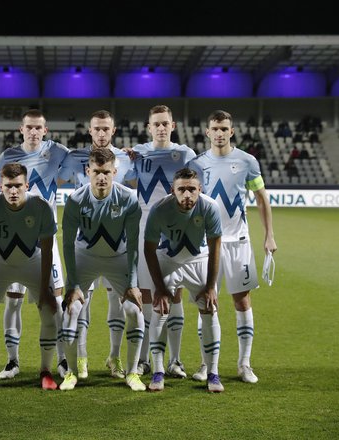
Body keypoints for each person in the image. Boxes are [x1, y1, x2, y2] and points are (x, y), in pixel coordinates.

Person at [188, 110, 277, 384]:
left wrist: (269, 235)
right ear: (207, 131)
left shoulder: (247, 161)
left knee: (242, 301)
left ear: (232, 131)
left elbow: (262, 198)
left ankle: (244, 363)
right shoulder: (197, 163)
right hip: (206, 244)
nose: (219, 133)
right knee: (207, 303)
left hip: (238, 243)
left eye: (224, 129)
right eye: (214, 128)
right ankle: (205, 364)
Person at [0, 109, 70, 380]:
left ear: (45, 130)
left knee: (55, 301)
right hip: (14, 236)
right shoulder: (8, 157)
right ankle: (12, 361)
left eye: (38, 128)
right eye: (29, 127)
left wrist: (126, 154)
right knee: (14, 301)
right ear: (22, 129)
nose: (33, 131)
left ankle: (62, 360)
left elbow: (86, 159)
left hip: (44, 234)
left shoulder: (59, 152)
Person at [58, 110, 136, 380]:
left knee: (117, 302)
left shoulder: (126, 158)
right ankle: (81, 360)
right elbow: (50, 180)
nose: (101, 133)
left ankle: (114, 358)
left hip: (117, 241)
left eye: (106, 129)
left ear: (113, 131)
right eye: (96, 129)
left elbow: (136, 189)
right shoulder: (73, 157)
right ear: (89, 130)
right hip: (85, 241)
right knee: (82, 302)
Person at [0, 163, 59, 390]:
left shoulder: (41, 207)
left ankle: (46, 370)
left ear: (27, 185)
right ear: (0, 186)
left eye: (18, 186)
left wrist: (44, 288)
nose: (13, 191)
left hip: (32, 261)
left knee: (51, 312)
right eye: (8, 186)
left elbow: (48, 249)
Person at [130, 105, 197, 378]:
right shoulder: (138, 153)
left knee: (175, 293)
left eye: (164, 123)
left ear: (173, 125)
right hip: (144, 230)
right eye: (155, 124)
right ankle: (145, 359)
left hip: (175, 232)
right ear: (148, 127)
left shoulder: (185, 155)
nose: (160, 128)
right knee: (147, 294)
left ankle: (175, 360)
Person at [144, 167, 223, 393]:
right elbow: (149, 249)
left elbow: (216, 246)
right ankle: (158, 371)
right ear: (172, 190)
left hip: (198, 260)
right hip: (168, 260)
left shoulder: (209, 207)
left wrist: (210, 287)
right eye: (181, 190)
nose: (187, 194)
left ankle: (213, 373)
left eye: (191, 189)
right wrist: (159, 287)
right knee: (159, 311)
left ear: (200, 189)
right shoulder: (159, 210)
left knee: (210, 310)